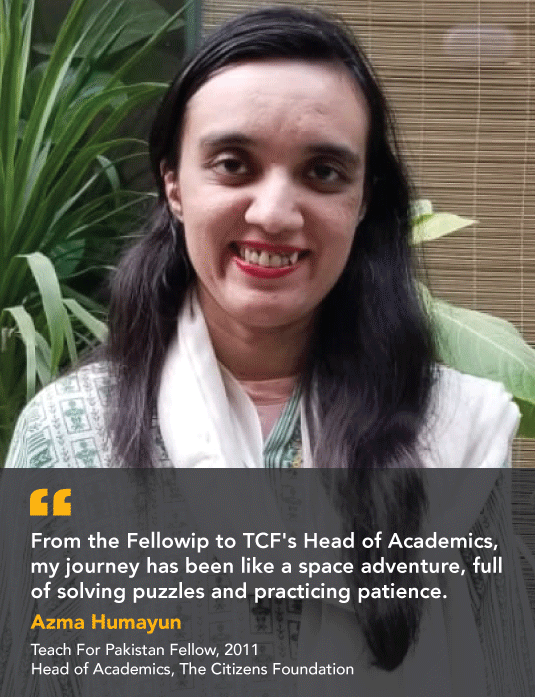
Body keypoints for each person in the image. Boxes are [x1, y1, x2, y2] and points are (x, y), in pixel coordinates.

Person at [4, 6, 534, 695]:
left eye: (323, 172)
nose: (275, 213)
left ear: (363, 200)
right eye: (233, 164)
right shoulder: (67, 439)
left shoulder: (450, 434)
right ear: (173, 183)